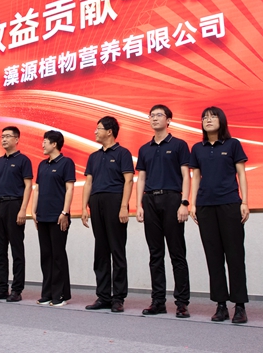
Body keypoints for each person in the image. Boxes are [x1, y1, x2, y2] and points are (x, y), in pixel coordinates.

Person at [189, 107, 249, 323]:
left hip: (230, 203)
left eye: (212, 117)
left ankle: (240, 305)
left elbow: (241, 174)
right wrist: (193, 203)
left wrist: (245, 202)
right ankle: (220, 304)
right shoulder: (197, 148)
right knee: (213, 256)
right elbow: (196, 177)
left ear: (221, 121)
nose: (208, 120)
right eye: (204, 117)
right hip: (205, 206)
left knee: (235, 255)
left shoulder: (233, 144)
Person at [136, 105, 191, 318]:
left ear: (168, 120)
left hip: (172, 199)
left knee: (177, 253)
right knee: (155, 254)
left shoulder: (179, 145)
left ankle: (182, 302)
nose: (154, 118)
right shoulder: (145, 149)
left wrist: (184, 203)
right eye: (152, 115)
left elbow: (186, 175)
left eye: (159, 115)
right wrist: (139, 205)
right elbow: (141, 178)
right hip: (150, 200)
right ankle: (158, 301)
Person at [81, 116, 134, 313]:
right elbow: (88, 183)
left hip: (114, 201)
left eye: (99, 128)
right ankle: (103, 296)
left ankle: (118, 297)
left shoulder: (122, 153)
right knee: (101, 250)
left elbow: (128, 181)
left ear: (109, 131)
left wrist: (124, 206)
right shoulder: (93, 156)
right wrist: (84, 207)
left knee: (117, 250)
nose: (95, 132)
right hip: (96, 202)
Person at [0, 126, 33, 302]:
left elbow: (28, 186)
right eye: (2, 136)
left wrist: (23, 209)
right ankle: (1, 288)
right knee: (0, 250)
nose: (4, 139)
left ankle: (17, 290)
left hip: (14, 205)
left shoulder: (23, 160)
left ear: (17, 139)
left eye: (7, 136)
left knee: (16, 249)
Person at [31, 130, 75, 307]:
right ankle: (47, 293)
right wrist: (33, 211)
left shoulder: (66, 163)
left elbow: (69, 189)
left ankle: (60, 294)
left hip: (58, 216)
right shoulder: (42, 165)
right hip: (42, 215)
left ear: (54, 144)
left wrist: (65, 212)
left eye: (45, 141)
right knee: (46, 255)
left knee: (58, 255)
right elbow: (37, 189)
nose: (42, 144)